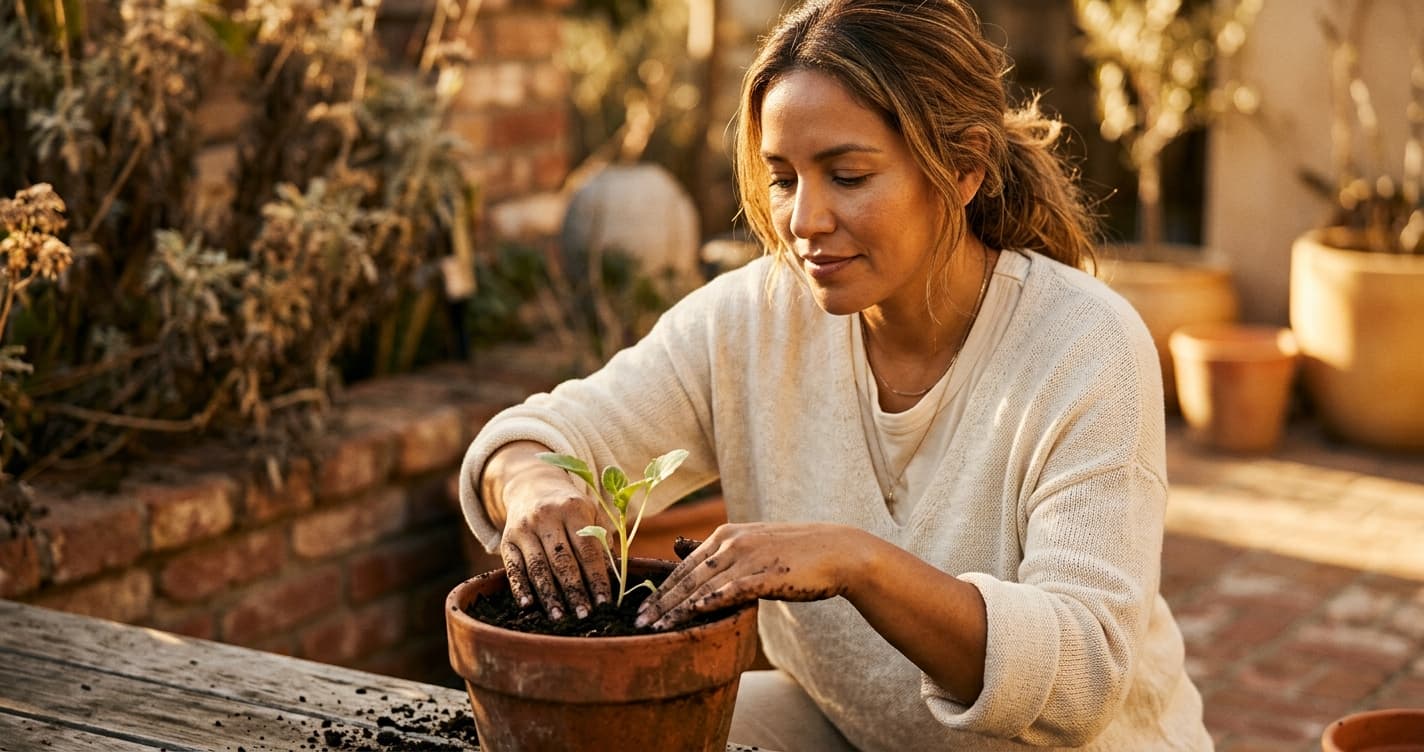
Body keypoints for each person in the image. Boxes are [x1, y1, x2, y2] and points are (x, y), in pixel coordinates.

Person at [458, 0, 1211, 749]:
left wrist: (858, 563)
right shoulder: (754, 319)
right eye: (783, 179)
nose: (805, 220)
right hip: (855, 730)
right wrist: (535, 484)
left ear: (965, 167)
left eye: (847, 175)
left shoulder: (1084, 345)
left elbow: (1080, 675)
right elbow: (542, 435)